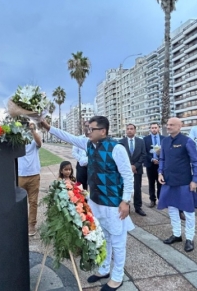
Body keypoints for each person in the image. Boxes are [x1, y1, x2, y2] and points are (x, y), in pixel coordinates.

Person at [39, 116, 134, 291]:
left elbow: (128, 175)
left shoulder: (117, 148)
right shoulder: (89, 144)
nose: (87, 131)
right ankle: (104, 270)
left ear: (103, 131)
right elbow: (68, 137)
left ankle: (117, 277)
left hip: (114, 202)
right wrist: (47, 126)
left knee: (118, 240)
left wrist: (125, 201)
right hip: (96, 201)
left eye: (91, 129)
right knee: (104, 237)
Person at [157, 117, 197, 252]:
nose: (169, 127)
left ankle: (189, 238)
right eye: (168, 124)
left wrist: (195, 180)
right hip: (168, 181)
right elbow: (162, 159)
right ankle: (177, 234)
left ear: (180, 126)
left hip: (184, 182)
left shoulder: (187, 141)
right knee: (172, 209)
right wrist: (160, 172)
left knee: (188, 211)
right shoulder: (165, 141)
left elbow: (196, 162)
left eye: (172, 125)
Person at [17, 122, 43, 237]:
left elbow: (39, 143)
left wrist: (32, 131)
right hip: (20, 175)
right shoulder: (17, 140)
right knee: (19, 202)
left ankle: (31, 225)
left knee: (33, 202)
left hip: (34, 175)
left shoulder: (34, 140)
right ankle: (19, 224)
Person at [120, 124, 146, 216]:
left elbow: (143, 155)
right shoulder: (121, 142)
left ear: (135, 130)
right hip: (125, 170)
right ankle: (126, 206)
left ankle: (138, 207)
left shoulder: (141, 141)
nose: (129, 130)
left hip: (137, 169)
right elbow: (121, 157)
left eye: (131, 129)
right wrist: (129, 167)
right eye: (127, 129)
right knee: (124, 188)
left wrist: (135, 166)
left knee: (137, 189)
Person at [143, 123, 165, 208]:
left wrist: (160, 160)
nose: (154, 129)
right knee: (151, 183)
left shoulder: (164, 139)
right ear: (150, 129)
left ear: (158, 128)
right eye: (152, 128)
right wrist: (152, 159)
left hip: (161, 164)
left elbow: (166, 151)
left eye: (155, 127)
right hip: (151, 164)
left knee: (161, 183)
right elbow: (144, 152)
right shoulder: (145, 139)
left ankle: (161, 200)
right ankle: (152, 200)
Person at [73, 121, 90, 190]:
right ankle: (82, 201)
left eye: (89, 126)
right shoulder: (79, 139)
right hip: (81, 166)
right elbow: (74, 153)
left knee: (93, 186)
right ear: (83, 127)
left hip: (92, 166)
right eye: (86, 126)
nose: (87, 127)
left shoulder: (94, 139)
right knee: (81, 187)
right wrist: (82, 161)